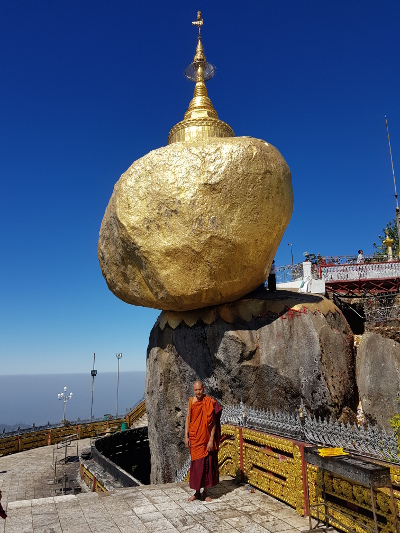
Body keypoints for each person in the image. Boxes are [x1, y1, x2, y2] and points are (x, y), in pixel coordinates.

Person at [185, 380, 222, 502]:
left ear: (204, 389)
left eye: (200, 389)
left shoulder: (209, 402)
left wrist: (211, 440)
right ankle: (196, 492)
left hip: (206, 439)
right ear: (193, 390)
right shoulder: (192, 401)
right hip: (195, 438)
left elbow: (213, 424)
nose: (198, 392)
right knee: (196, 466)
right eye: (196, 390)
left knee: (207, 464)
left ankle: (206, 492)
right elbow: (188, 420)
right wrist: (186, 436)